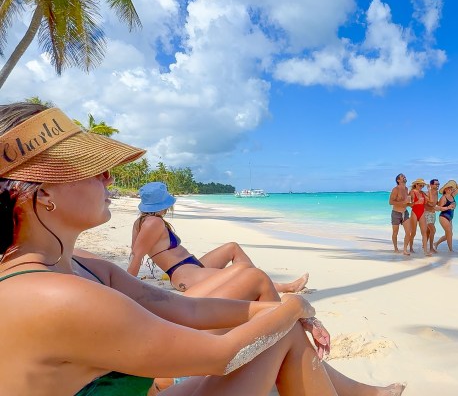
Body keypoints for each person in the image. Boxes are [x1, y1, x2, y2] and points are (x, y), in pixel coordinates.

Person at [0, 102, 405, 396]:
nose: (107, 175)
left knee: (278, 328)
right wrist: (295, 308)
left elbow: (187, 309)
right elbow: (221, 355)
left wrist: (278, 312)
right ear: (43, 191)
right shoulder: (59, 296)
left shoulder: (80, 267)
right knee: (277, 333)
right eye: (87, 166)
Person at [128, 181, 308, 300]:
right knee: (242, 274)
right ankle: (284, 287)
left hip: (192, 266)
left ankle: (259, 284)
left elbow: (134, 251)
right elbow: (136, 255)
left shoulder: (143, 222)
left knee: (232, 247)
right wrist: (125, 289)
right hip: (185, 275)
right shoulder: (153, 223)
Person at [434, 180, 458, 252]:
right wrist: (448, 207)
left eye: (451, 188)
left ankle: (436, 243)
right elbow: (438, 208)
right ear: (445, 189)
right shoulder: (443, 198)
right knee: (449, 233)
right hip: (444, 217)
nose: (450, 189)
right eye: (448, 187)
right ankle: (451, 250)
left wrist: (454, 184)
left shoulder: (452, 195)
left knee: (449, 234)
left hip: (450, 218)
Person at [388, 173, 412, 254]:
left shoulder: (406, 189)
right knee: (395, 232)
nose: (404, 177)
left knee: (408, 232)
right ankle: (395, 248)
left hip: (405, 213)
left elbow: (406, 202)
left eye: (405, 176)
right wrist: (403, 202)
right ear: (398, 180)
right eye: (402, 177)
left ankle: (405, 249)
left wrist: (411, 204)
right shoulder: (395, 189)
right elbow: (391, 202)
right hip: (396, 213)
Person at [408, 178, 431, 257]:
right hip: (414, 212)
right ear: (416, 185)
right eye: (420, 185)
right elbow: (408, 204)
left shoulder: (423, 193)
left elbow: (430, 201)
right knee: (413, 232)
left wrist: (429, 189)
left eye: (423, 185)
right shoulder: (412, 192)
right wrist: (415, 202)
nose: (421, 186)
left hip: (422, 213)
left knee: (424, 232)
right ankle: (410, 248)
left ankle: (425, 251)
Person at [424, 179, 441, 253]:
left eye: (438, 184)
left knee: (428, 231)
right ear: (431, 185)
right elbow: (427, 204)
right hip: (427, 214)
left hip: (433, 214)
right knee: (433, 230)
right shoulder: (427, 193)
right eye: (436, 184)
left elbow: (435, 202)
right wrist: (434, 207)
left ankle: (424, 245)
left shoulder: (437, 193)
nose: (437, 185)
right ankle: (431, 248)